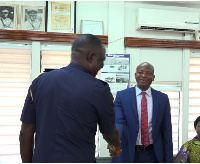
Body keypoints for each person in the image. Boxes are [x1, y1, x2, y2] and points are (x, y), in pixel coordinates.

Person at [19, 34, 121, 163]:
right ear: (91, 57)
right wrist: (116, 146)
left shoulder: (40, 82)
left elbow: (25, 132)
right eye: (101, 60)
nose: (101, 65)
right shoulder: (99, 89)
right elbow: (109, 132)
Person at [111, 62, 173, 163]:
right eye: (140, 72)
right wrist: (115, 139)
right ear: (135, 75)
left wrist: (168, 160)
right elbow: (118, 123)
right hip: (128, 153)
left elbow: (167, 132)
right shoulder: (122, 96)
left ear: (153, 77)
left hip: (153, 155)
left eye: (148, 73)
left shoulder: (162, 99)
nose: (144, 76)